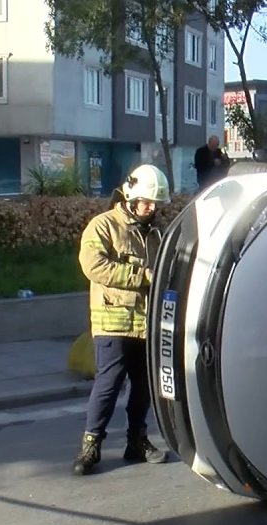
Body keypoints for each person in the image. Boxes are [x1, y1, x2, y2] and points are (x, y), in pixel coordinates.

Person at [73, 164, 173, 476]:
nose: (150, 208)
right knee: (108, 384)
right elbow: (94, 266)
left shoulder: (157, 232)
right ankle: (91, 446)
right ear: (130, 195)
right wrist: (142, 276)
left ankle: (137, 441)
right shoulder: (103, 226)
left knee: (143, 386)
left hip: (145, 323)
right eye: (145, 202)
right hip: (113, 322)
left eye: (155, 203)